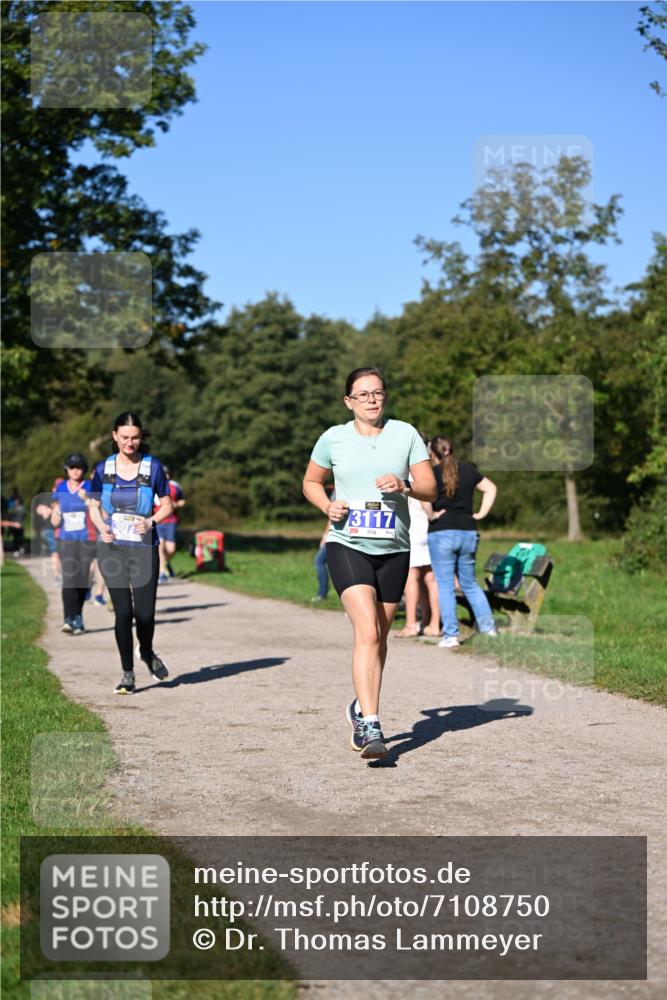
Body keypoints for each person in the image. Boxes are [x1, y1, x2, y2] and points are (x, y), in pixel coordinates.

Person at [303, 367, 436, 760]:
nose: (372, 400)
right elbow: (310, 481)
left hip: (394, 547)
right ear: (349, 401)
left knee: (379, 634)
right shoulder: (333, 438)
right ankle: (371, 724)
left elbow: (430, 486)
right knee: (366, 630)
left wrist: (405, 485)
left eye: (378, 393)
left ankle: (360, 705)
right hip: (347, 543)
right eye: (363, 395)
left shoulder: (405, 433)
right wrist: (328, 505)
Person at [87, 412, 174, 695]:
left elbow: (167, 505)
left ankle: (146, 652)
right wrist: (102, 527)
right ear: (114, 436)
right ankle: (127, 673)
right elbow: (93, 506)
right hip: (112, 549)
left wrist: (151, 521)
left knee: (145, 615)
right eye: (124, 437)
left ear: (141, 437)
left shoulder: (153, 467)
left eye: (135, 437)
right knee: (123, 612)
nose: (130, 442)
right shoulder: (102, 469)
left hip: (144, 548)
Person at [426, 436, 498, 648]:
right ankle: (489, 628)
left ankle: (451, 635)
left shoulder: (431, 473)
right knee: (469, 583)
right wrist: (480, 514)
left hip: (442, 533)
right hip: (468, 531)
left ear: (432, 452)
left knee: (446, 586)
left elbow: (423, 499)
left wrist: (432, 516)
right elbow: (491, 489)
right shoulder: (468, 470)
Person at [50, 455, 97, 634]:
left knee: (82, 579)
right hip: (66, 539)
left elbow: (99, 511)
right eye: (72, 467)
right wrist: (55, 514)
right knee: (69, 578)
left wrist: (86, 500)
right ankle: (69, 619)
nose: (75, 470)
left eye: (79, 467)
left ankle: (78, 615)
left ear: (84, 470)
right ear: (66, 469)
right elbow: (55, 519)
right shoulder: (61, 488)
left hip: (87, 538)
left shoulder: (91, 487)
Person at [393, 492, 442, 637]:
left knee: (411, 577)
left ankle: (411, 625)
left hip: (414, 529)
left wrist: (431, 514)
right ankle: (432, 622)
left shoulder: (412, 473)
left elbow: (423, 499)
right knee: (429, 578)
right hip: (427, 529)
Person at [156, 467, 185, 582]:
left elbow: (182, 500)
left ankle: (166, 563)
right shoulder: (152, 486)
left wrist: (175, 505)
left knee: (171, 549)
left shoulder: (175, 486)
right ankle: (162, 572)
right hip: (157, 521)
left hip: (171, 521)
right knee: (160, 546)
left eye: (166, 474)